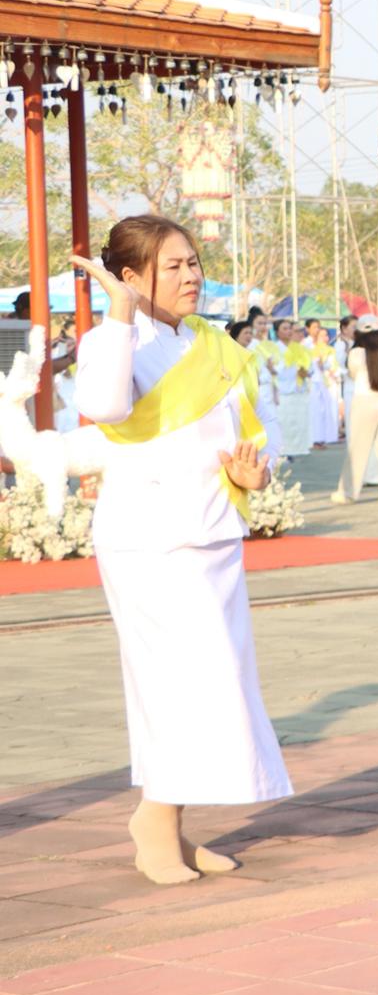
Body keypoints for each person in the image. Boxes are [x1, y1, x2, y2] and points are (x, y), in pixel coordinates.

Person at [68, 220, 289, 885]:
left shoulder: (215, 345)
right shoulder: (117, 344)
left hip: (213, 534)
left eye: (193, 262)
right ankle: (156, 823)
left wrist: (259, 473)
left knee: (215, 685)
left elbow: (260, 432)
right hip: (150, 540)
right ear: (131, 277)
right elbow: (102, 405)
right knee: (176, 686)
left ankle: (167, 821)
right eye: (172, 266)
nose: (191, 275)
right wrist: (119, 314)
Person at [332, 320, 378, 504]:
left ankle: (347, 492)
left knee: (358, 449)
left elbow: (353, 373)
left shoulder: (355, 353)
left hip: (364, 402)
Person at [269, 319, 314, 460]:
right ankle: (284, 451)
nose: (288, 332)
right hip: (282, 390)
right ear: (277, 332)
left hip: (299, 389)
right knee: (284, 421)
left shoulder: (300, 348)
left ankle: (299, 448)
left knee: (299, 420)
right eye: (285, 329)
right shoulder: (274, 349)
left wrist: (305, 372)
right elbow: (273, 369)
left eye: (290, 329)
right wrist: (285, 364)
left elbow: (310, 367)